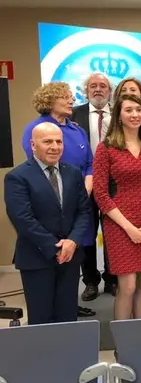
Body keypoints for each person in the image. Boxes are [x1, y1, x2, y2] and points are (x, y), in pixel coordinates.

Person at [21, 81, 96, 318]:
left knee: (72, 260)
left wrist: (82, 192)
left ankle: (68, 306)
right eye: (65, 96)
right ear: (50, 100)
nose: (71, 99)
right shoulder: (37, 128)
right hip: (49, 209)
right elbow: (37, 170)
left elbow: (89, 164)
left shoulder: (76, 129)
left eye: (71, 96)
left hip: (78, 200)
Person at [5, 123, 91, 325]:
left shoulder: (72, 173)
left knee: (68, 316)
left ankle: (69, 357)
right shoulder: (17, 177)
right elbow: (22, 218)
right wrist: (55, 247)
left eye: (58, 141)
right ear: (33, 145)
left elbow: (83, 210)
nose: (55, 146)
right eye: (48, 141)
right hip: (36, 257)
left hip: (70, 257)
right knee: (42, 319)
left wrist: (72, 242)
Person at [93, 94, 141, 321]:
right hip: (119, 224)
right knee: (127, 286)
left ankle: (140, 336)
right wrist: (128, 228)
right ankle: (123, 344)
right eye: (128, 110)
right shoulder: (106, 148)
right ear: (119, 115)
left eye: (138, 109)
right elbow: (101, 194)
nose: (135, 114)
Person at [71, 72, 117, 301]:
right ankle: (90, 281)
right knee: (87, 233)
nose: (98, 90)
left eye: (103, 86)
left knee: (113, 233)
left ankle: (113, 278)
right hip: (84, 184)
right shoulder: (74, 114)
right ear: (85, 90)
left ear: (110, 91)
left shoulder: (119, 114)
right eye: (93, 86)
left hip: (115, 183)